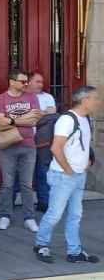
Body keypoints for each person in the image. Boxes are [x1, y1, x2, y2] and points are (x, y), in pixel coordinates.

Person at [33, 86, 100, 264]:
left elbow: (81, 144)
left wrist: (87, 161)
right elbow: (56, 148)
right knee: (55, 214)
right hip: (63, 176)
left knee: (75, 215)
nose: (98, 102)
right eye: (95, 98)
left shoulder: (85, 119)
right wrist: (68, 169)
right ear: (84, 100)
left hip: (78, 175)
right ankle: (41, 245)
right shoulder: (67, 120)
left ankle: (74, 251)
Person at [0, 69, 42, 232]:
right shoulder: (0, 99)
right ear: (12, 82)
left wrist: (11, 120)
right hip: (7, 146)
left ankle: (29, 218)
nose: (26, 84)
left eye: (26, 81)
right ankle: (5, 215)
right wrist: (23, 119)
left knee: (27, 184)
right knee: (7, 184)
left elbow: (34, 121)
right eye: (22, 81)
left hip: (28, 145)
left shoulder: (31, 97)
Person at [27, 71, 58, 211]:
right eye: (37, 81)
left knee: (43, 172)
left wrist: (38, 114)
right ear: (29, 82)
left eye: (42, 82)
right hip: (24, 140)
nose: (41, 84)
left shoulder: (48, 97)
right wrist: (43, 113)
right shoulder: (22, 97)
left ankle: (43, 203)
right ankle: (10, 205)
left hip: (44, 142)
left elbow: (52, 114)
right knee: (20, 174)